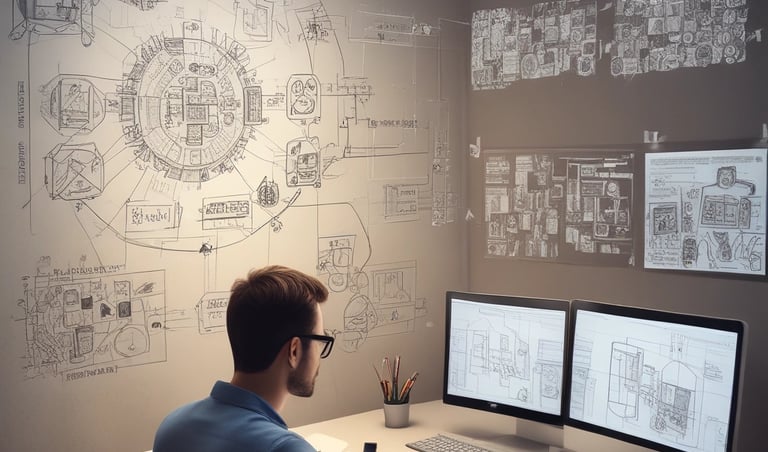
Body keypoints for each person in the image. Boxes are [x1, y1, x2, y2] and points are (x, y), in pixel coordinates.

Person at [153, 265, 334, 452]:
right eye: (319, 340)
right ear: (294, 351)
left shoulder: (171, 426)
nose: (319, 353)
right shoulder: (287, 448)